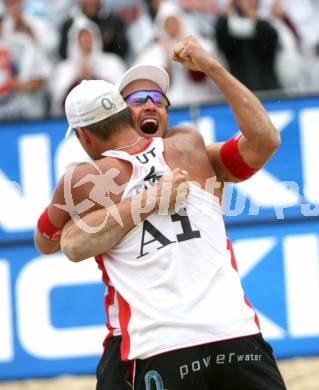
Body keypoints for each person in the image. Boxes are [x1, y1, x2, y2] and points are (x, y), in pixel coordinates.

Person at [35, 37, 286, 389]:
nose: (151, 105)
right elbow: (59, 243)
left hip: (185, 337)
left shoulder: (192, 151)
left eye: (158, 99)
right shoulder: (97, 178)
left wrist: (213, 67)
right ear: (120, 114)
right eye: (138, 100)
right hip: (136, 335)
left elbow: (265, 140)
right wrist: (148, 199)